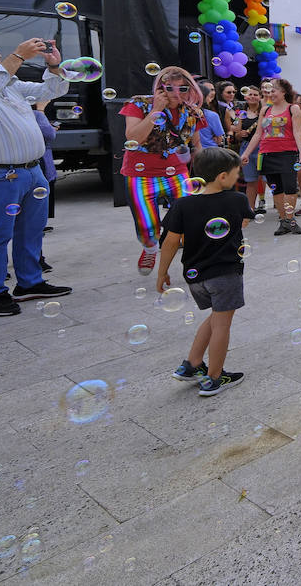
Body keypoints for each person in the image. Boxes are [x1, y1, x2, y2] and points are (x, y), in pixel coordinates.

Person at [0, 38, 73, 315]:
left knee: (31, 231)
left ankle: (30, 283)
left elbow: (51, 89)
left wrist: (53, 65)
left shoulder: (10, 86)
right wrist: (18, 54)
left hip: (32, 170)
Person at [156, 146, 253, 396]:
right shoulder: (238, 200)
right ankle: (214, 378)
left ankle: (192, 364)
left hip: (196, 276)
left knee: (215, 318)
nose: (238, 178)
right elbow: (244, 221)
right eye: (236, 173)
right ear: (223, 177)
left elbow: (169, 241)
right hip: (225, 274)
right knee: (222, 325)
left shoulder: (182, 204)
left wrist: (162, 272)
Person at [121, 66, 205, 275]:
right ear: (160, 88)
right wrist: (155, 112)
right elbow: (133, 139)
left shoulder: (193, 112)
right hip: (141, 175)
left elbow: (196, 145)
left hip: (177, 173)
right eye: (170, 88)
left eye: (183, 89)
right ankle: (150, 248)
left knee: (190, 222)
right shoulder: (138, 103)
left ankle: (194, 261)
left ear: (191, 89)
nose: (176, 94)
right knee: (148, 229)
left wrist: (205, 172)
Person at [241, 78, 301, 236]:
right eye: (268, 91)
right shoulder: (265, 110)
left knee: (290, 188)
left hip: (287, 153)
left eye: (274, 90)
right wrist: (246, 153)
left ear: (284, 92)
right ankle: (283, 221)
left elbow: (298, 132)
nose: (270, 93)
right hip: (267, 154)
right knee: (276, 189)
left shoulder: (293, 109)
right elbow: (258, 134)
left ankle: (290, 220)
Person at [229, 85, 264, 215]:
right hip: (246, 148)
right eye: (250, 94)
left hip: (263, 148)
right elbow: (236, 134)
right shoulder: (240, 114)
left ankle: (281, 210)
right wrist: (239, 134)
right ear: (245, 97)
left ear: (260, 97)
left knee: (270, 179)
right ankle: (250, 210)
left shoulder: (264, 113)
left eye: (255, 94)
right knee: (251, 181)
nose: (252, 97)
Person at [32, 101, 56, 269]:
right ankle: (36, 260)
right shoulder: (35, 113)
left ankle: (36, 260)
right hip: (33, 169)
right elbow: (49, 134)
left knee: (31, 223)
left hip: (35, 169)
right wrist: (40, 110)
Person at [196, 80, 227, 149]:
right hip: (210, 151)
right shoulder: (212, 115)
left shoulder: (186, 113)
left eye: (212, 90)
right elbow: (220, 139)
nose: (210, 93)